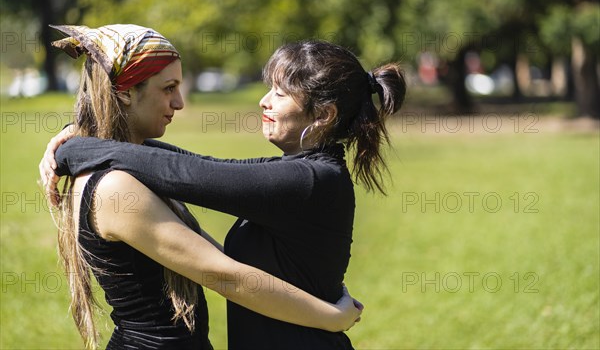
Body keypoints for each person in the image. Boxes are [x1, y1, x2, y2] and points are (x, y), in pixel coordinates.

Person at [43, 40, 405, 349]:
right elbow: (192, 163)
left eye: (280, 93)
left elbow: (184, 173)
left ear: (324, 115)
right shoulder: (304, 174)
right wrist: (82, 137)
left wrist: (72, 150)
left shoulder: (308, 181)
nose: (264, 101)